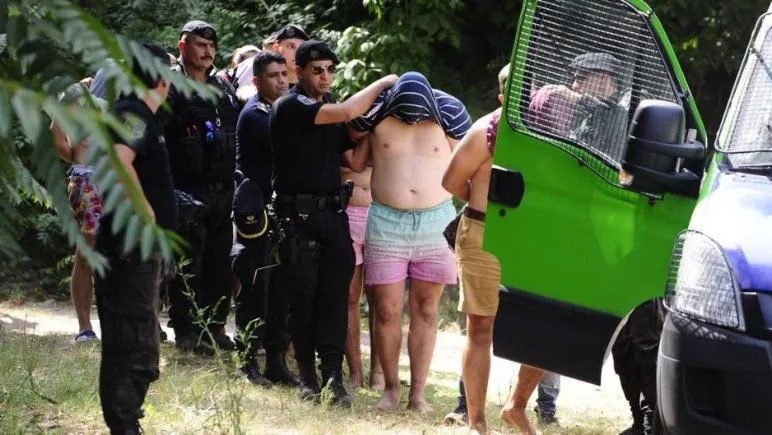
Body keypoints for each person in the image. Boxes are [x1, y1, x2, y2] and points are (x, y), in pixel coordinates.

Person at [270, 39, 398, 407]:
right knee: (304, 297)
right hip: (297, 217)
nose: (325, 77)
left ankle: (332, 377)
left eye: (329, 70)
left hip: (332, 216)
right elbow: (350, 109)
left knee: (334, 299)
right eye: (317, 70)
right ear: (300, 71)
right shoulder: (292, 106)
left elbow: (355, 162)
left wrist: (376, 124)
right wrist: (385, 83)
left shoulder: (328, 109)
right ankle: (308, 378)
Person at [347, 72, 471, 412]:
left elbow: (472, 162)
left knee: (427, 309)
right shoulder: (377, 112)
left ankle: (418, 394)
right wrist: (378, 94)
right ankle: (390, 389)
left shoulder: (451, 111)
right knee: (385, 309)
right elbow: (349, 131)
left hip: (437, 221)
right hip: (387, 221)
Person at [443, 63, 545, 434]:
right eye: (513, 92)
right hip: (483, 234)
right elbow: (452, 181)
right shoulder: (486, 129)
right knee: (480, 328)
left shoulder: (550, 134)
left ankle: (516, 406)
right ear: (502, 95)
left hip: (532, 242)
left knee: (545, 327)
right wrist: (489, 206)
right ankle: (476, 422)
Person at [95, 42, 175, 434]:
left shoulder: (142, 115)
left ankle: (128, 423)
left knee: (139, 338)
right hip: (130, 247)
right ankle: (124, 426)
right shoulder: (134, 114)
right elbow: (118, 160)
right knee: (132, 341)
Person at [164, 20, 241, 352]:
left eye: (212, 45)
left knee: (219, 264)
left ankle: (214, 327)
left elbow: (231, 128)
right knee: (187, 264)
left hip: (223, 188)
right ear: (183, 46)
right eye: (200, 44)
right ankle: (185, 329)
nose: (208, 51)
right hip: (186, 188)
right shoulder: (169, 86)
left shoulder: (223, 87)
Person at [232, 51, 298, 387]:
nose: (282, 81)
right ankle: (246, 363)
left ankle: (275, 362)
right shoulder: (256, 115)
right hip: (256, 214)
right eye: (273, 75)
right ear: (257, 81)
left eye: (284, 74)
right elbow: (288, 142)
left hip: (281, 212)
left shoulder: (280, 109)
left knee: (281, 290)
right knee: (256, 287)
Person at [50, 83, 107, 343]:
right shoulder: (79, 92)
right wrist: (78, 160)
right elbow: (56, 132)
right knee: (87, 252)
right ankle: (85, 328)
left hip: (120, 178)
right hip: (89, 177)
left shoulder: (132, 87)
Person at [527, 52, 628, 163]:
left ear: (603, 79)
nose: (574, 86)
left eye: (580, 78)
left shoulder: (620, 115)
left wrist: (575, 97)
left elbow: (609, 111)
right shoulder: (591, 117)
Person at [341, 165, 384, 390]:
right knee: (349, 296)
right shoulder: (341, 130)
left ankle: (378, 372)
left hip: (382, 213)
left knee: (380, 300)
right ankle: (355, 373)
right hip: (348, 212)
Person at [612, 299, 665, 435]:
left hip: (645, 290)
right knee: (622, 352)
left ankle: (653, 424)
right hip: (617, 290)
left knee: (648, 353)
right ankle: (639, 422)